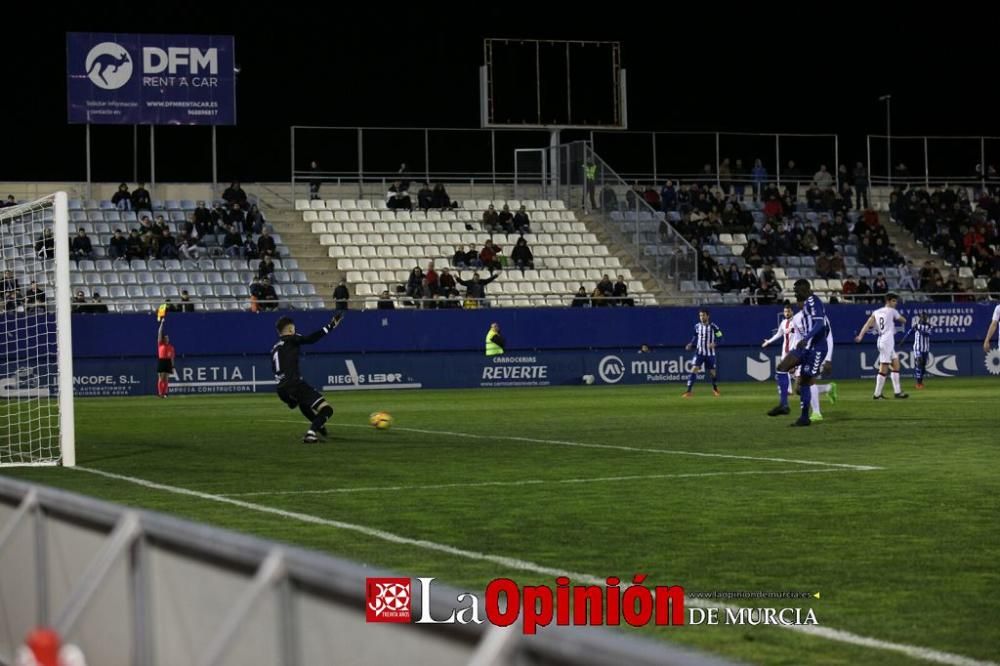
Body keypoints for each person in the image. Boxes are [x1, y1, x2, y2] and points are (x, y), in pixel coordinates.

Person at [272, 313, 343, 443]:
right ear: (290, 330)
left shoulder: (275, 348)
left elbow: (275, 369)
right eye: (294, 328)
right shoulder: (292, 338)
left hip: (281, 389)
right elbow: (311, 339)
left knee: (303, 404)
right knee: (327, 409)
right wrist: (331, 325)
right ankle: (311, 433)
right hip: (294, 384)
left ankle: (319, 427)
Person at [775, 279, 830, 426]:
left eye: (797, 289)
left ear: (805, 289)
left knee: (804, 382)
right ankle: (784, 405)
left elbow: (820, 323)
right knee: (782, 367)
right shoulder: (806, 304)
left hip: (816, 349)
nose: (795, 292)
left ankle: (805, 417)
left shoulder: (813, 301)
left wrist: (806, 338)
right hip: (804, 348)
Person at [854, 292, 909, 400]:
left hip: (883, 340)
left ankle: (897, 392)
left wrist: (861, 336)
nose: (895, 303)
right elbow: (903, 320)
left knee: (896, 364)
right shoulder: (892, 311)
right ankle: (877, 394)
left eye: (896, 301)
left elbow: (867, 324)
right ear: (888, 301)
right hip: (886, 341)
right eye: (894, 301)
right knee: (883, 368)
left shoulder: (876, 312)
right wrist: (901, 319)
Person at [762, 304, 796, 416]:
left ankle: (818, 389)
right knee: (784, 372)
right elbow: (778, 334)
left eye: (789, 311)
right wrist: (769, 342)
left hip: (794, 351)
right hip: (784, 352)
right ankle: (788, 391)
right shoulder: (783, 323)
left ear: (792, 312)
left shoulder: (796, 321)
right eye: (785, 311)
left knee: (793, 373)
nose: (787, 313)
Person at [683, 309, 722, 398]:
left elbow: (721, 338)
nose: (701, 317)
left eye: (703, 315)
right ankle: (688, 391)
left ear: (708, 316)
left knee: (712, 372)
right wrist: (691, 343)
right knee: (694, 369)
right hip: (699, 352)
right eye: (700, 315)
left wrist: (714, 343)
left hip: (710, 353)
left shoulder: (714, 327)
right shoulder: (697, 326)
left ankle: (715, 389)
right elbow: (694, 336)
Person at [902, 312, 931, 389]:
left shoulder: (929, 326)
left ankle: (920, 381)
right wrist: (903, 341)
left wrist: (920, 330)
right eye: (923, 317)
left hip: (926, 348)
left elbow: (927, 334)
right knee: (919, 362)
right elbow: (909, 333)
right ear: (920, 317)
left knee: (923, 366)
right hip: (917, 348)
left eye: (925, 317)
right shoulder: (916, 326)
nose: (924, 318)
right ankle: (918, 384)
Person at [156, 317, 175, 398]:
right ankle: (160, 393)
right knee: (161, 377)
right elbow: (159, 332)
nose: (167, 339)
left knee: (166, 378)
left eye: (168, 338)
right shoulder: (160, 344)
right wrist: (162, 323)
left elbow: (172, 357)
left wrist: (172, 366)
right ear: (163, 339)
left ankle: (165, 393)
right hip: (162, 361)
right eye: (166, 338)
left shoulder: (171, 347)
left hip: (168, 362)